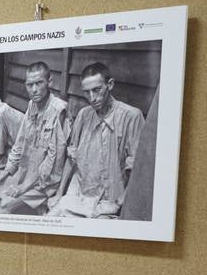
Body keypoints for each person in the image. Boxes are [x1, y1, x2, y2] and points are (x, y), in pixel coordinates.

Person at [55, 62, 145, 219]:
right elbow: (72, 158)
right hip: (80, 197)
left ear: (110, 85)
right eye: (86, 92)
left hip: (109, 204)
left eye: (96, 90)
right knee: (52, 220)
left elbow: (139, 170)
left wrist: (118, 203)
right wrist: (59, 193)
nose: (92, 98)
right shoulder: (84, 115)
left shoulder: (131, 117)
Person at [0, 62, 70, 215]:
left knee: (5, 206)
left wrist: (23, 187)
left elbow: (52, 163)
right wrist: (7, 171)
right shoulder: (32, 105)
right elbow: (19, 143)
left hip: (44, 183)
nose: (34, 90)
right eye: (29, 85)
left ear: (49, 82)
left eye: (39, 83)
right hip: (26, 173)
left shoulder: (59, 111)